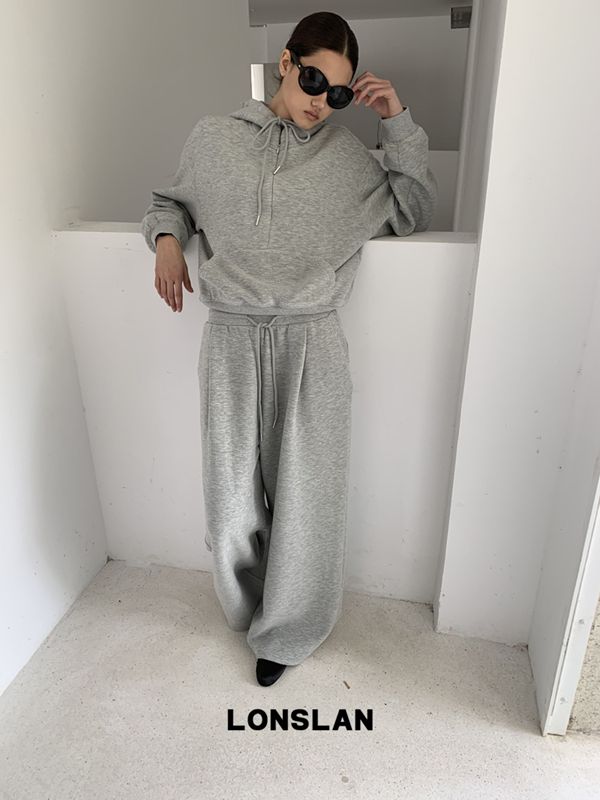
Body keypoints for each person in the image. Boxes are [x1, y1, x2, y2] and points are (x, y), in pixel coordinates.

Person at [140, 11, 437, 687]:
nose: (321, 102)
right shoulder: (214, 138)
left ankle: (288, 631)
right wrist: (166, 239)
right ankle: (249, 609)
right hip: (231, 339)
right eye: (312, 81)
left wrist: (395, 120)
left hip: (312, 341)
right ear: (285, 63)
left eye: (338, 93)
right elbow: (173, 201)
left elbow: (413, 208)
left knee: (308, 502)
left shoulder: (346, 160)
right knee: (229, 504)